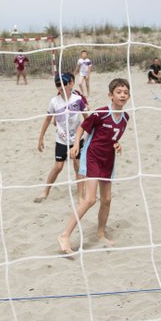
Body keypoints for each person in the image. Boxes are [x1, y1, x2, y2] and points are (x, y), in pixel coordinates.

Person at [58, 78, 131, 255]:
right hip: (92, 158)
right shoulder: (101, 113)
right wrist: (76, 146)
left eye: (125, 92)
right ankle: (64, 235)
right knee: (90, 199)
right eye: (119, 92)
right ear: (110, 96)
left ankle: (100, 233)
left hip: (108, 160)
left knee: (107, 199)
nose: (122, 95)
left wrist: (118, 145)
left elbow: (113, 138)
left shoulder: (125, 118)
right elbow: (82, 128)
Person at [34, 72, 88, 204]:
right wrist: (41, 138)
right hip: (61, 139)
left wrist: (89, 134)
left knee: (77, 165)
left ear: (71, 84)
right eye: (58, 84)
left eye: (63, 83)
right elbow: (48, 120)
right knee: (58, 167)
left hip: (76, 139)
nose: (60, 87)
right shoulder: (54, 102)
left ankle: (80, 195)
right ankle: (45, 191)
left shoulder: (78, 100)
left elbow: (87, 118)